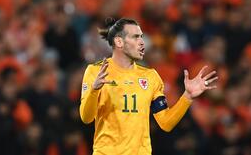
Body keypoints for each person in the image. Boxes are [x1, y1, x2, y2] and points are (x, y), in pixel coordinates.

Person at [79, 18, 218, 155]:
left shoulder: (150, 76)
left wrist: (187, 97)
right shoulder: (95, 71)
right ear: (119, 41)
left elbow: (165, 123)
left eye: (141, 37)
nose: (141, 43)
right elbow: (86, 117)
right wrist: (94, 90)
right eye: (135, 37)